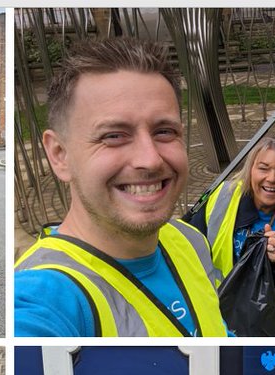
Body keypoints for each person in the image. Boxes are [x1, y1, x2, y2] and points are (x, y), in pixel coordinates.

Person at [14, 37, 227, 337]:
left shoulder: (188, 239)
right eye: (114, 136)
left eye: (164, 131)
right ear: (59, 155)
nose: (150, 160)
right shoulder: (43, 297)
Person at [188, 136, 275, 336]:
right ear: (250, 170)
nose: (272, 178)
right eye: (263, 168)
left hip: (274, 329)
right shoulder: (221, 197)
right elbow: (189, 254)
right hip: (219, 318)